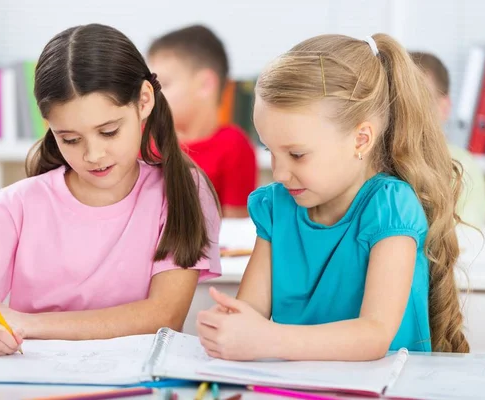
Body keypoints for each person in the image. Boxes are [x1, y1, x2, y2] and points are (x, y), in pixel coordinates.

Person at [0, 23, 221, 358]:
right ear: (50, 128)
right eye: (70, 139)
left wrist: (29, 323)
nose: (93, 155)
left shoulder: (183, 191)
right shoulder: (18, 204)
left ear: (143, 101)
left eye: (108, 132)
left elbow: (163, 316)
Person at [196, 34, 470, 362]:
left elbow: (375, 334)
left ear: (361, 139)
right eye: (270, 150)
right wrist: (231, 324)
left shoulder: (390, 207)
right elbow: (252, 311)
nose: (279, 174)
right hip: (300, 386)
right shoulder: (276, 207)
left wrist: (269, 338)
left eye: (297, 154)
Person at [148, 25, 257, 218]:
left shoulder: (234, 146)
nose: (150, 95)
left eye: (163, 84)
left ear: (205, 85)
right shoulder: (144, 140)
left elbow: (235, 231)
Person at [409, 51, 485, 227]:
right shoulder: (381, 163)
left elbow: (467, 240)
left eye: (422, 101)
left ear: (444, 108)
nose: (410, 113)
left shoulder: (463, 167)